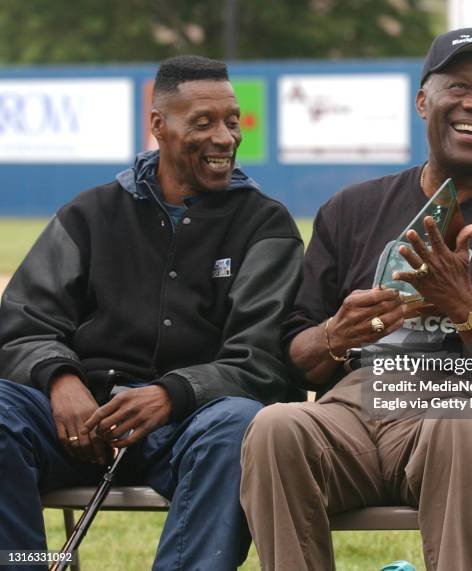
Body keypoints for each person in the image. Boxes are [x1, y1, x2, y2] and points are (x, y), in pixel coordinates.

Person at [240, 28, 472, 571]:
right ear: (423, 100)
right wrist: (336, 334)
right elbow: (295, 358)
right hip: (354, 406)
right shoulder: (350, 210)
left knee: (458, 422)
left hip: (456, 412)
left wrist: (464, 305)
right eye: (459, 87)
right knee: (275, 427)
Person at [0, 55, 303, 570]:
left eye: (232, 121)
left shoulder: (266, 225)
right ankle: (23, 563)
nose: (224, 137)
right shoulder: (89, 214)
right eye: (203, 123)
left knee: (241, 424)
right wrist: (59, 379)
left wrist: (173, 393)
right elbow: (22, 323)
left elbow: (266, 360)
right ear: (159, 125)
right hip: (80, 424)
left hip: (193, 426)